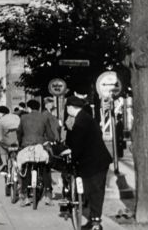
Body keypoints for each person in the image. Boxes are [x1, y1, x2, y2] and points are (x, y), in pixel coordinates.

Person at [65, 96, 112, 230]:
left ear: (70, 107)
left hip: (93, 162)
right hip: (97, 160)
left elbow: (78, 145)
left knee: (94, 191)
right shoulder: (85, 118)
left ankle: (95, 224)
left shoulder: (80, 122)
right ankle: (94, 221)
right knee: (95, 191)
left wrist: (72, 159)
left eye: (67, 107)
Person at [17, 99, 56, 206]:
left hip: (27, 145)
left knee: (26, 167)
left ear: (28, 108)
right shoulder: (44, 117)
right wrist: (51, 139)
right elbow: (50, 133)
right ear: (39, 108)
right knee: (45, 167)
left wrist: (20, 142)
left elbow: (19, 132)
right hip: (40, 145)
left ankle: (24, 195)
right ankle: (48, 195)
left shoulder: (23, 117)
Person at [0, 106, 20, 174]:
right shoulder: (16, 117)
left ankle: (5, 165)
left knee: (0, 147)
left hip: (7, 143)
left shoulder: (0, 121)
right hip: (18, 141)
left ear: (2, 113)